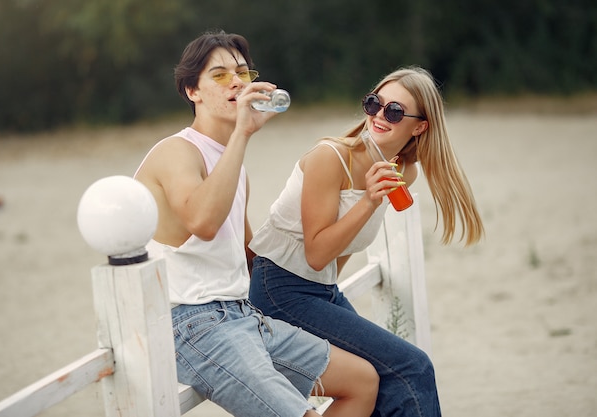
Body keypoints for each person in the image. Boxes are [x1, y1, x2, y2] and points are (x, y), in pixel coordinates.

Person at [133, 30, 379, 417]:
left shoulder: (234, 166)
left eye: (243, 73)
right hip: (194, 323)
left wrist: (323, 236)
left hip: (244, 315)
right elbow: (204, 222)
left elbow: (248, 257)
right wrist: (243, 134)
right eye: (219, 75)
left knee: (363, 381)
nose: (235, 82)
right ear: (191, 92)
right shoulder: (175, 152)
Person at [249, 66, 486, 417]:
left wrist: (330, 299)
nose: (379, 116)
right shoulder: (329, 158)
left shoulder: (403, 170)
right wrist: (369, 201)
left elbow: (336, 259)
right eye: (375, 103)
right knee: (413, 366)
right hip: (279, 291)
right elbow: (316, 253)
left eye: (394, 111)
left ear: (419, 126)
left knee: (388, 376)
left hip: (319, 291)